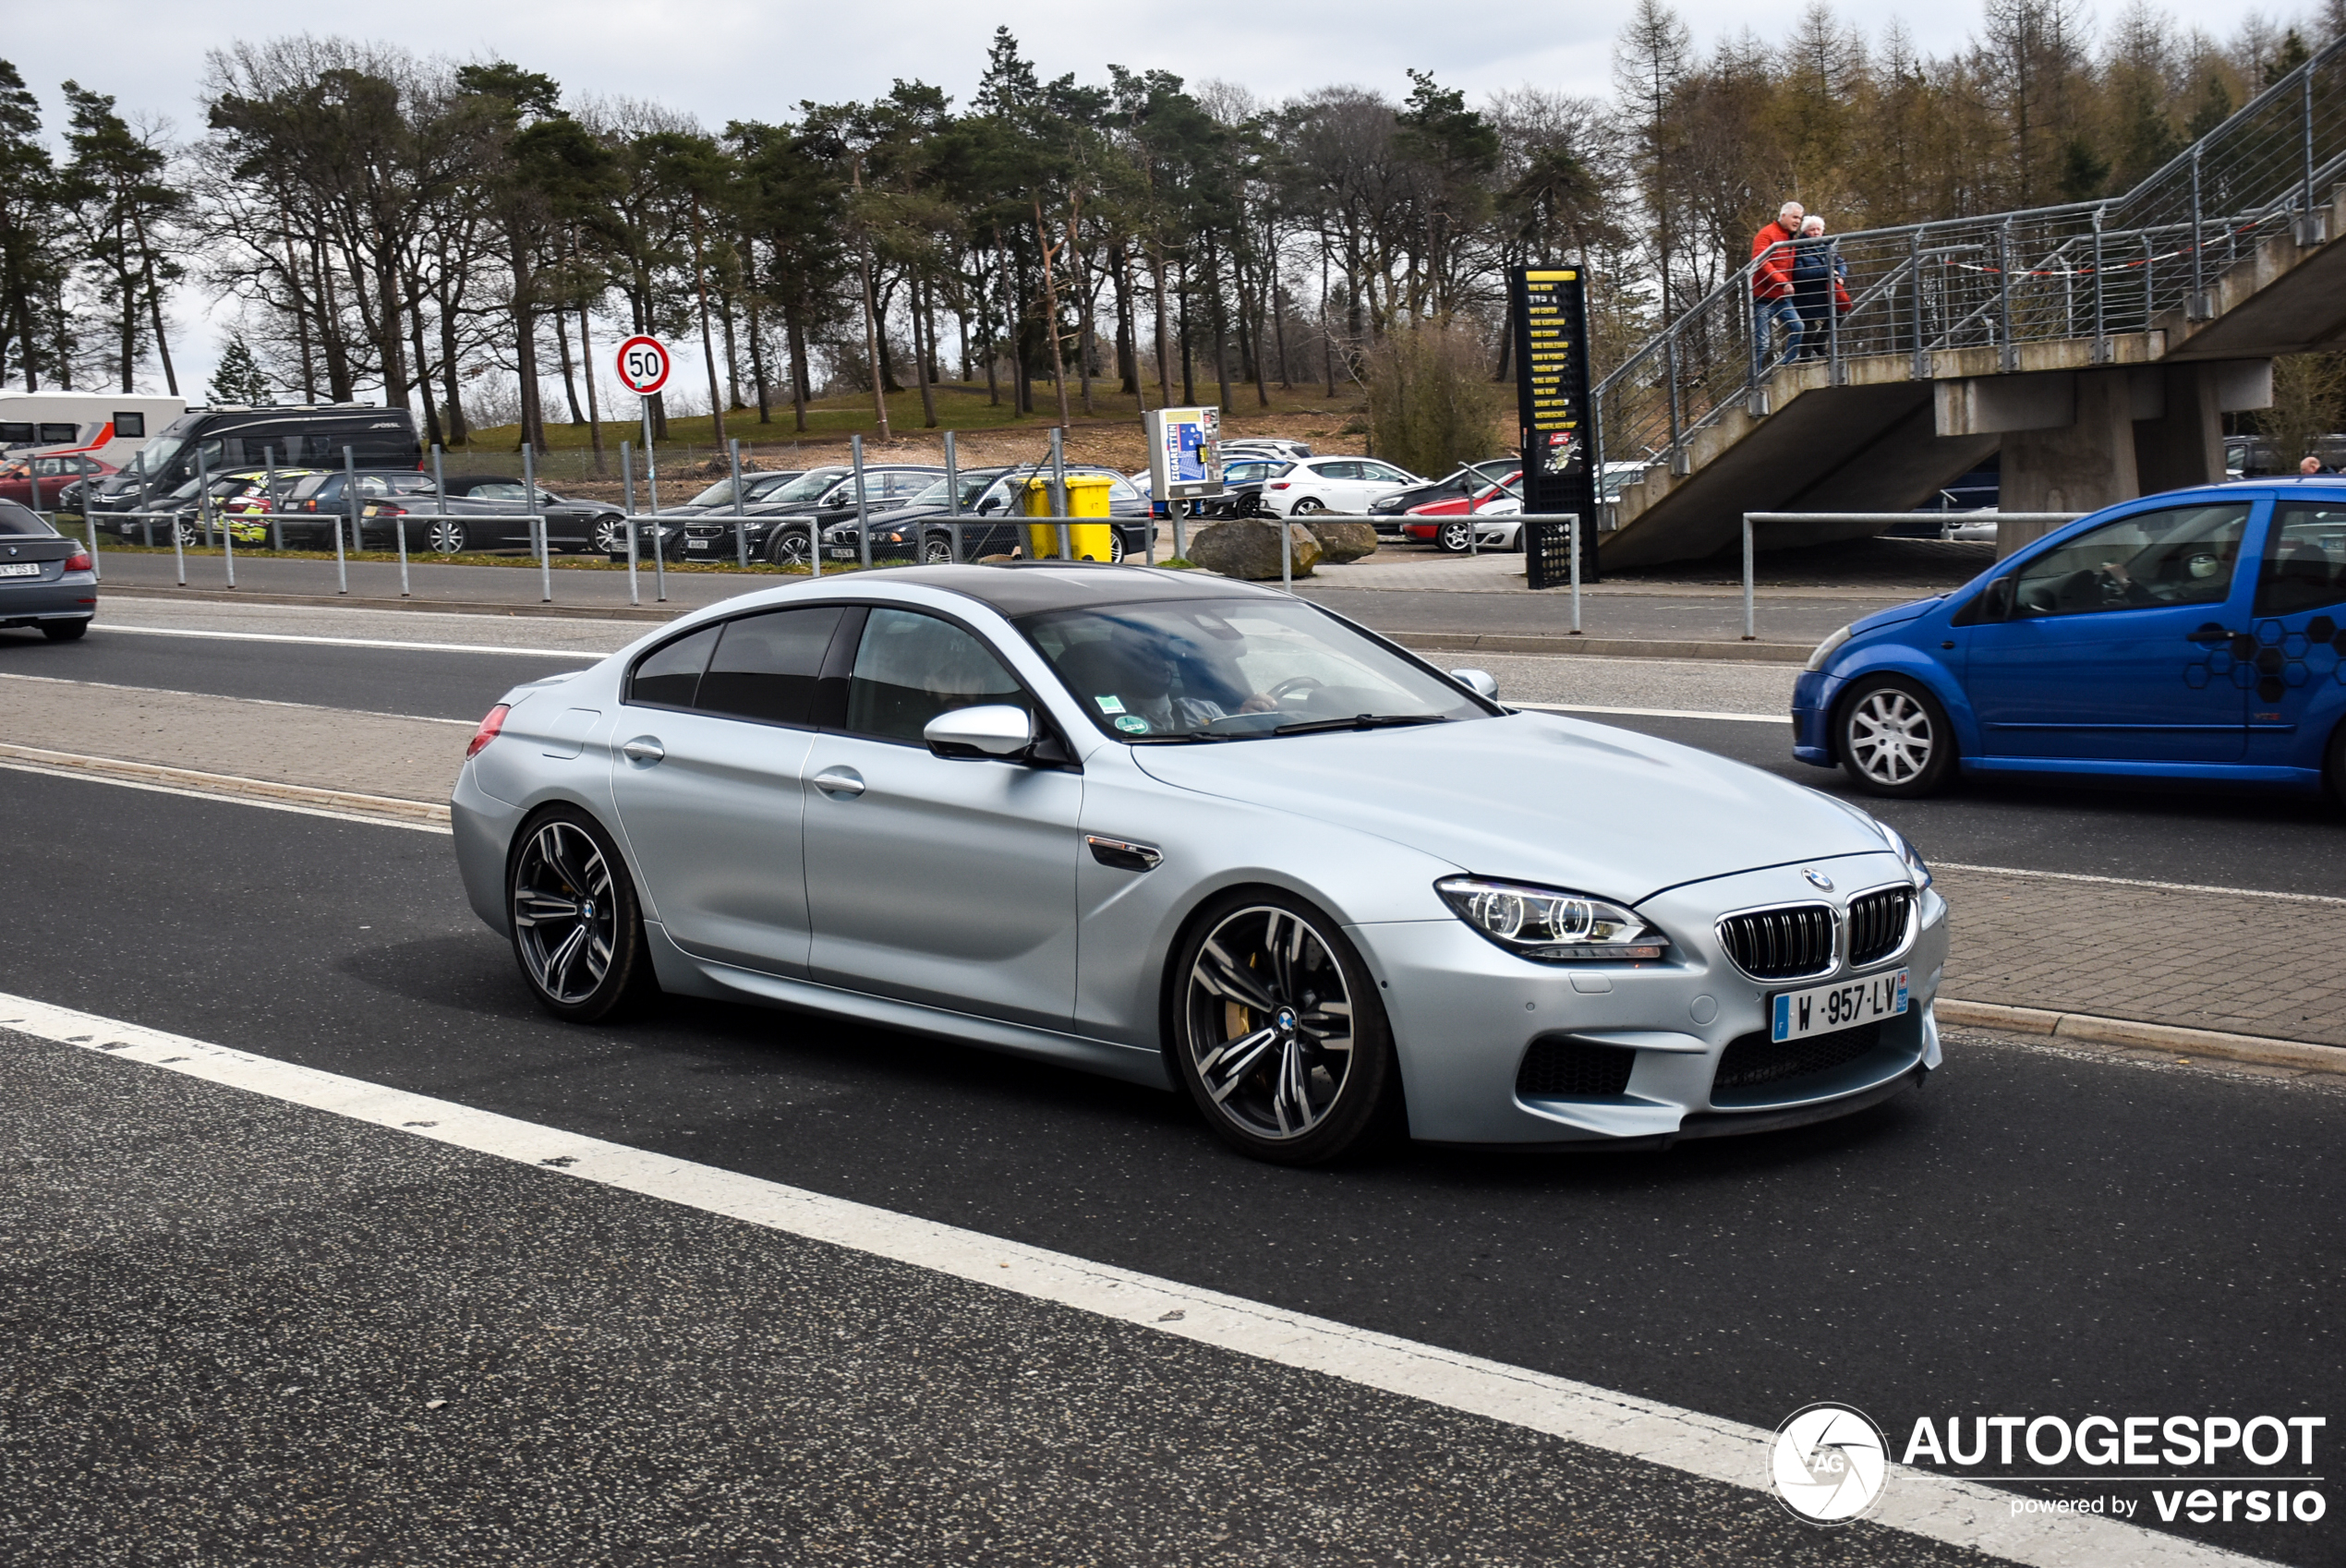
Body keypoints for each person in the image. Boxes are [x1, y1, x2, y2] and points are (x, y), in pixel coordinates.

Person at [1750, 201, 1805, 377]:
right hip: (1764, 297)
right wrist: (1782, 282)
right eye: (1795, 217)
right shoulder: (1767, 234)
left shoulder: (1791, 238)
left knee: (1798, 327)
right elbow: (1761, 261)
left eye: (1800, 218)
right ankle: (1753, 381)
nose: (1797, 221)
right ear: (1783, 216)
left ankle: (1785, 367)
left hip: (1782, 298)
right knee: (1763, 343)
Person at [1790, 215, 1852, 360]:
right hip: (1806, 294)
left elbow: (1840, 262)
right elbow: (1799, 273)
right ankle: (1805, 359)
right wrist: (1828, 272)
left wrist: (1840, 275)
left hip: (1825, 292)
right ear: (1805, 231)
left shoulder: (1827, 244)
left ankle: (1820, 343)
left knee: (1839, 314)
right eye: (1812, 230)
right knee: (1809, 328)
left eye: (1819, 229)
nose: (1816, 232)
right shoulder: (1799, 247)